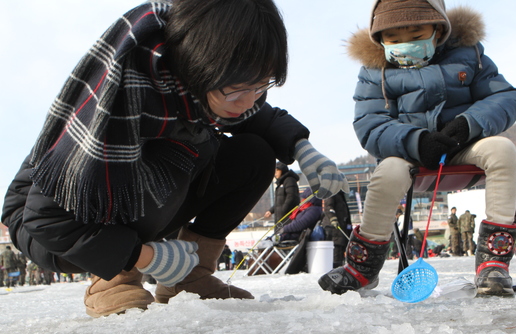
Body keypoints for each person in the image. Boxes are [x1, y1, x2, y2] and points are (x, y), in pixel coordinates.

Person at [1, 0, 348, 317]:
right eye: (237, 89)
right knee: (182, 152)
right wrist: (147, 257)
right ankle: (118, 279)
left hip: (135, 199)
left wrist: (303, 147)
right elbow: (43, 219)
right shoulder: (122, 94)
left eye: (260, 86)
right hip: (54, 221)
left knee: (253, 153)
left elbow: (258, 113)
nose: (247, 101)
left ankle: (189, 277)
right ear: (202, 64)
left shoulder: (205, 85)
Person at [319, 0, 516, 297]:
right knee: (386, 171)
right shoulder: (375, 71)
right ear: (381, 39)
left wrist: (467, 125)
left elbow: (504, 98)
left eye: (416, 36)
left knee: (503, 149)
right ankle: (361, 269)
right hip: (410, 156)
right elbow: (370, 124)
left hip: (464, 145)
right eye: (394, 39)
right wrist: (417, 141)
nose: (405, 44)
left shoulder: (468, 54)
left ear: (438, 31)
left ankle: (494, 263)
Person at [322, 191, 353, 268]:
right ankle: (336, 266)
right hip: (333, 228)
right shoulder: (332, 192)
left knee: (341, 247)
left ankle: (339, 265)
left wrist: (348, 226)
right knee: (336, 248)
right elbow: (328, 207)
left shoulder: (340, 195)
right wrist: (333, 218)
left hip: (341, 227)